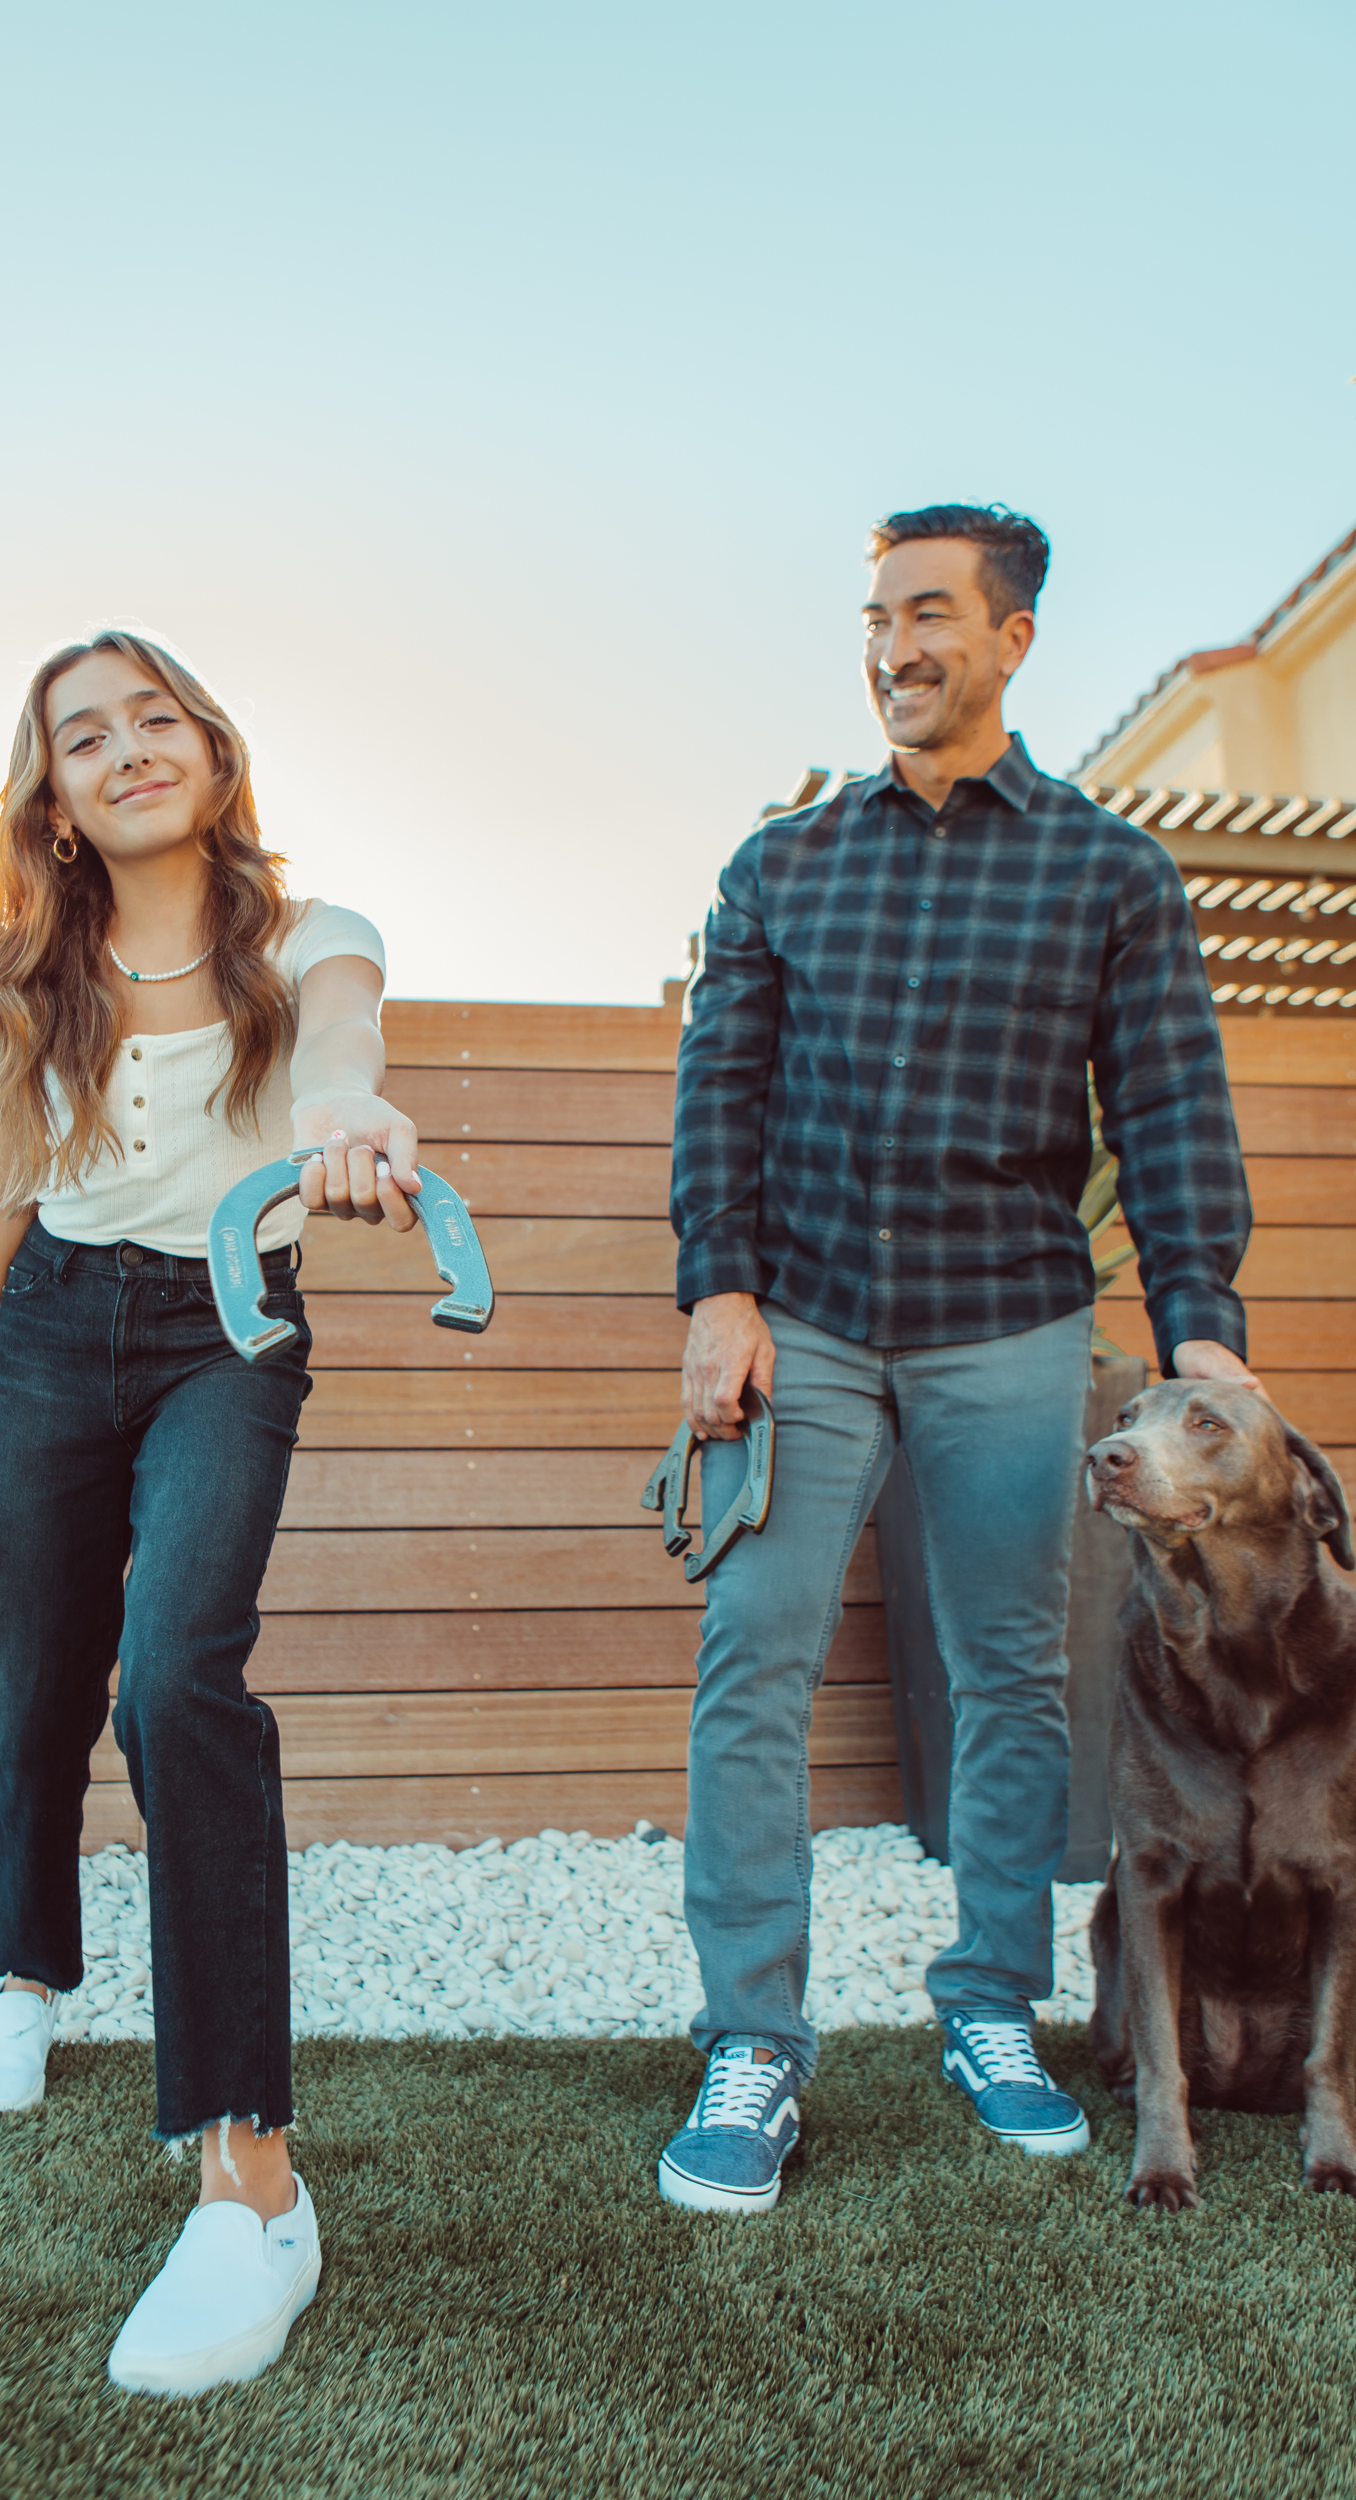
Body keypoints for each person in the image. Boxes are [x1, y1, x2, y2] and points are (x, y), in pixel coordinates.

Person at [656, 504, 1258, 2216]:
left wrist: (1197, 1323)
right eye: (875, 616)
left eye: (930, 614)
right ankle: (752, 2039)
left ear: (1011, 640)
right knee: (750, 1655)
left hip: (1014, 1318)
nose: (894, 646)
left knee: (1014, 1674)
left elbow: (1166, 1110)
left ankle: (989, 2003)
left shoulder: (1110, 873)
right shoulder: (782, 865)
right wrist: (722, 1292)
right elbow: (724, 1096)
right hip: (814, 1322)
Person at [0, 627, 422, 2389]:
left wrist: (349, 1109)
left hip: (231, 1329)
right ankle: (28, 1977)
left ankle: (250, 2183)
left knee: (176, 1681)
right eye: (82, 734)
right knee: (35, 1678)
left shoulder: (310, 938)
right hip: (52, 1326)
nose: (124, 747)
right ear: (50, 799)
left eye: (153, 717)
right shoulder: (30, 971)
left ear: (210, 750)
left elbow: (346, 1043)